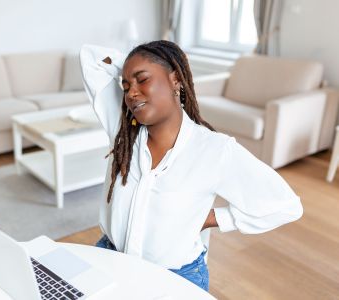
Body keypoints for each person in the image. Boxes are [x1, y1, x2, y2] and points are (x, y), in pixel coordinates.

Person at [79, 40, 303, 292]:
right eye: (125, 85)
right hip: (110, 259)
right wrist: (132, 65)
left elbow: (285, 205)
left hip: (175, 277)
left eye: (142, 80)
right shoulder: (122, 130)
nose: (131, 93)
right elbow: (91, 57)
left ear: (176, 79)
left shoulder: (214, 150)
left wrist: (213, 218)